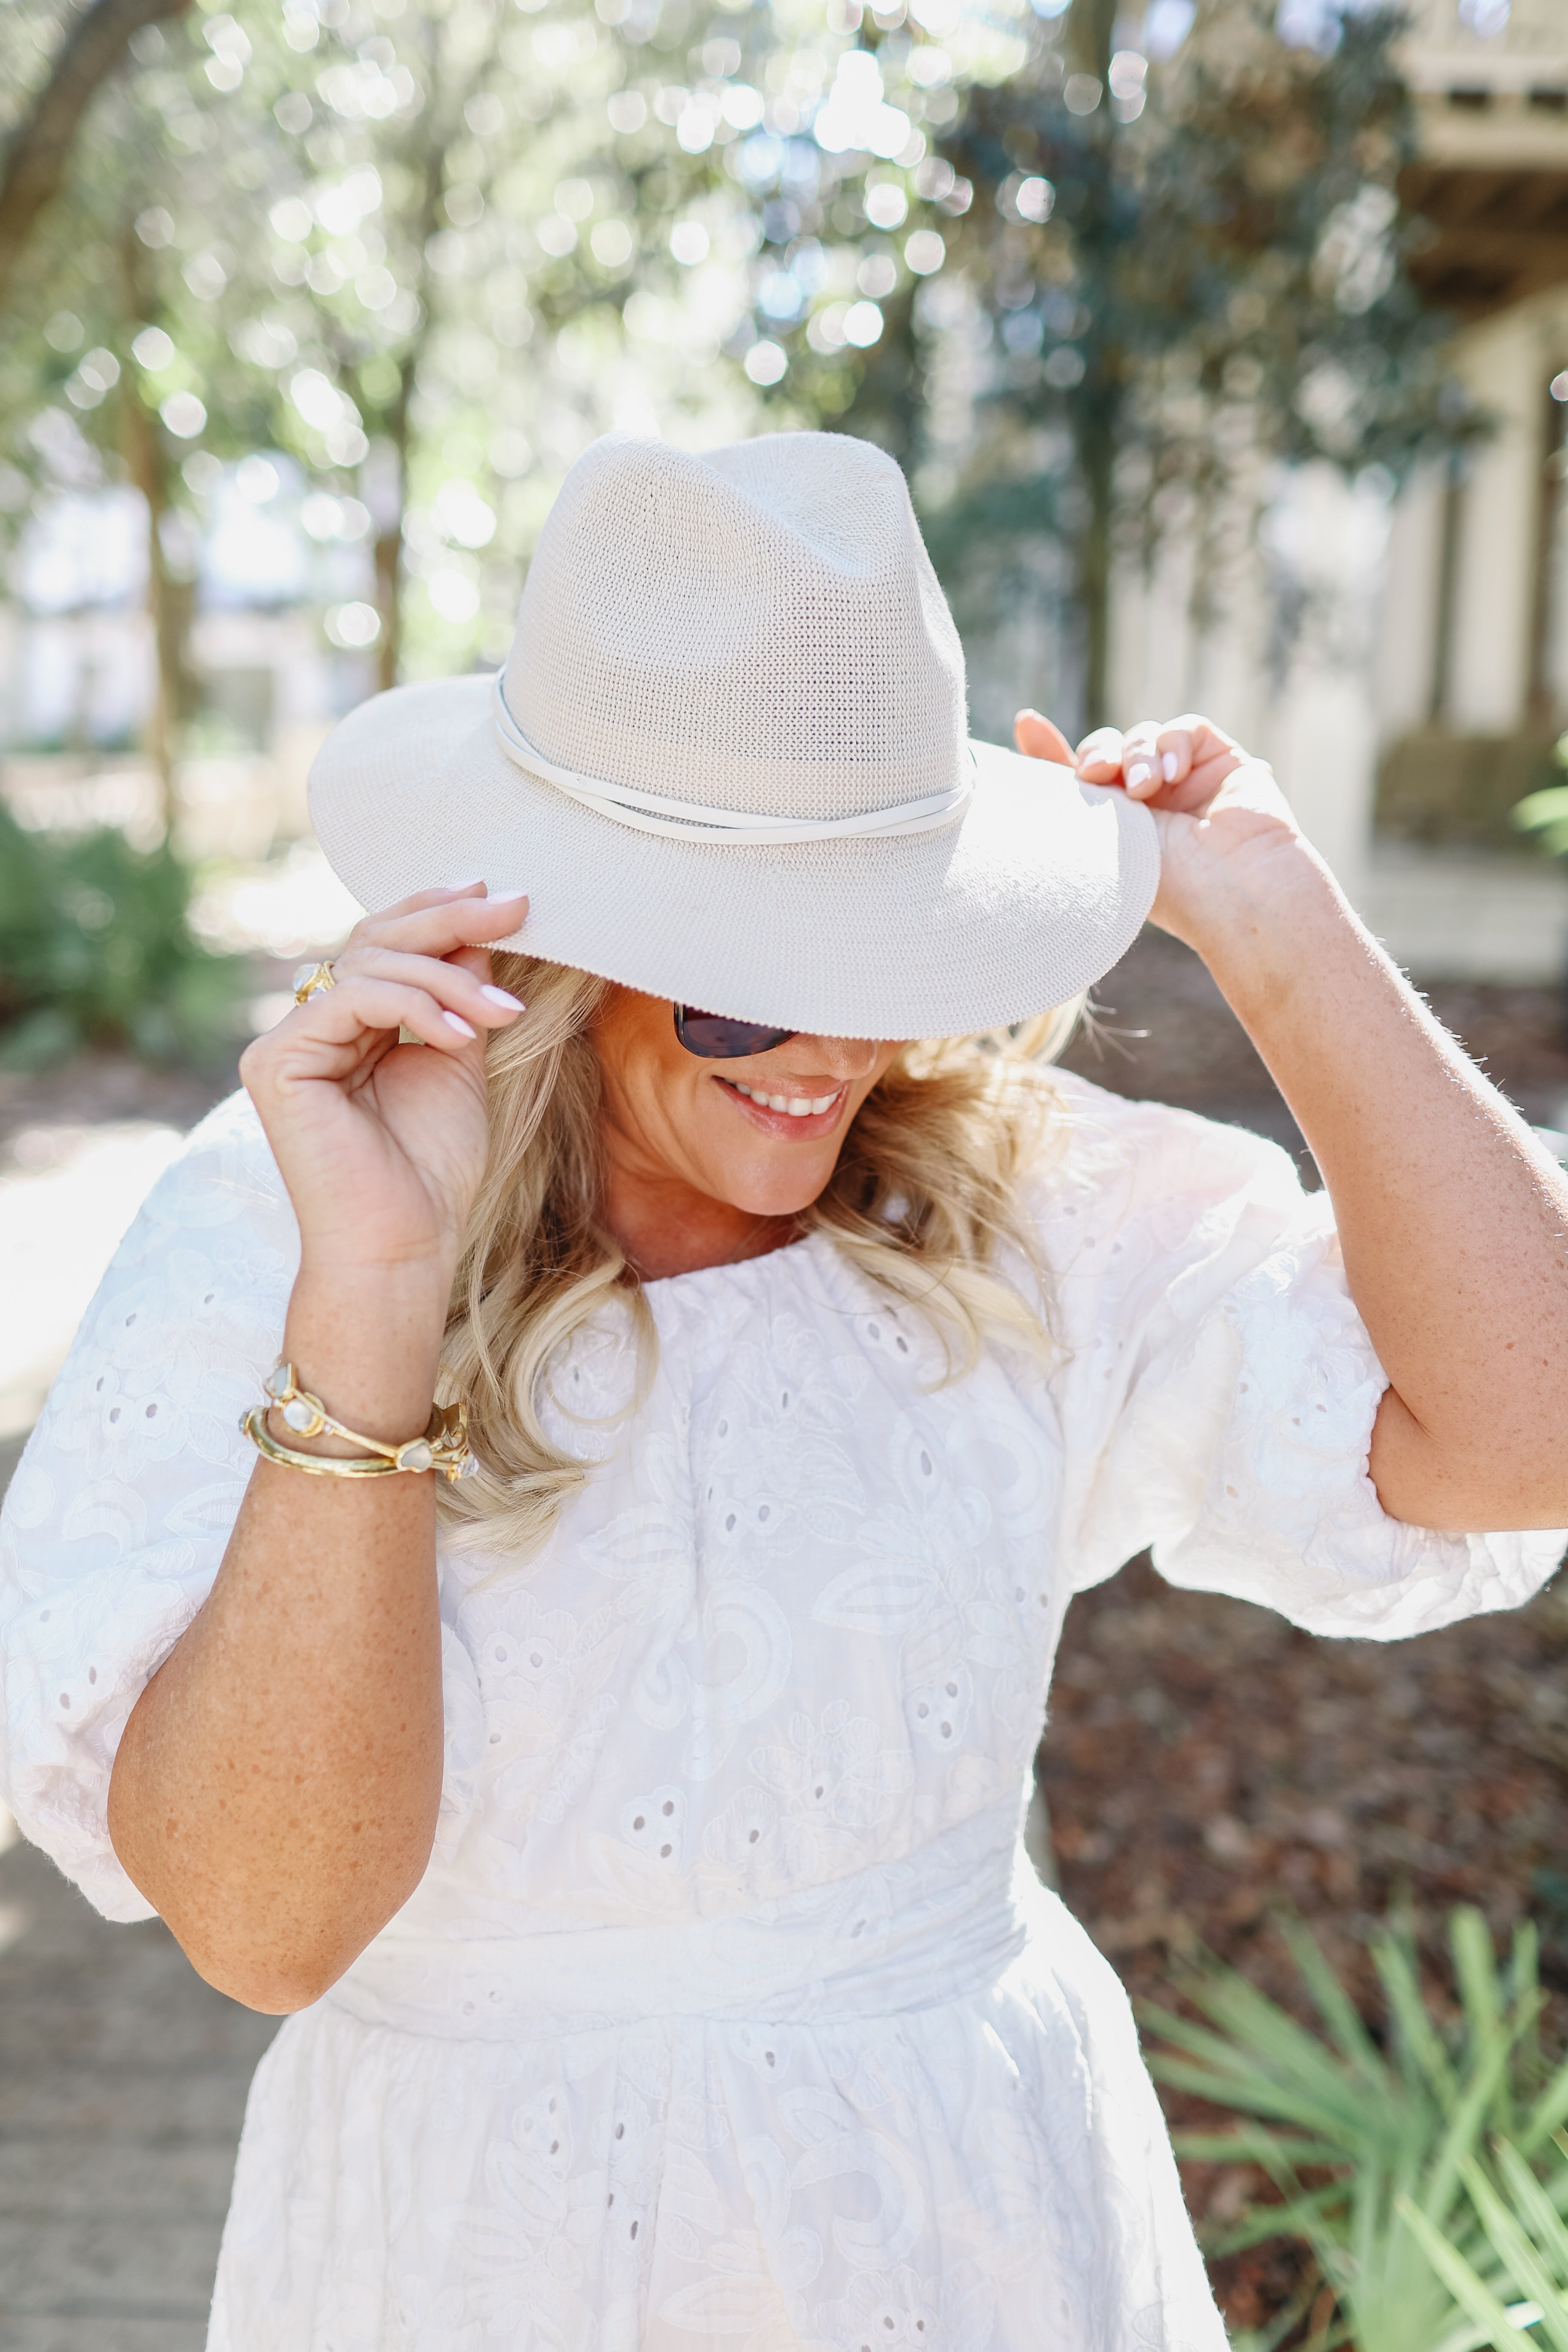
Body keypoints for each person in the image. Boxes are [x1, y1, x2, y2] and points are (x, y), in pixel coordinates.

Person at [2, 430, 1565, 2352]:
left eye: (884, 951)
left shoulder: (1012, 1208)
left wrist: (1273, 918)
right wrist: (380, 1289)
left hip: (969, 2225)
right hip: (470, 2263)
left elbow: (1524, 1438)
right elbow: (264, 1927)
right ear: (561, 946)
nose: (831, 1052)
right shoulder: (273, 1229)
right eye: (744, 980)